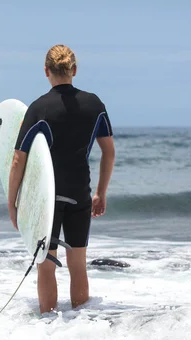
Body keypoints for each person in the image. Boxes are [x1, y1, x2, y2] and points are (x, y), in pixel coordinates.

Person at [7, 44, 115, 314]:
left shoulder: (38, 108)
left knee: (46, 264)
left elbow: (18, 160)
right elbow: (109, 152)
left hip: (48, 199)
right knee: (78, 265)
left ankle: (48, 327)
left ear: (46, 71)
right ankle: (81, 326)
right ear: (74, 70)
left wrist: (13, 202)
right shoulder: (94, 104)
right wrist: (101, 192)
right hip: (80, 193)